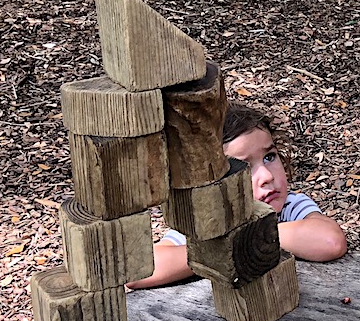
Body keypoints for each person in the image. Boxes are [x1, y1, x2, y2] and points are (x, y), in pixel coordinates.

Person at [126, 103, 346, 289]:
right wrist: (216, 250)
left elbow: (330, 241)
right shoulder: (206, 224)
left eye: (269, 157)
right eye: (243, 168)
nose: (267, 176)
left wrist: (248, 238)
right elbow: (138, 272)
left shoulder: (290, 208)